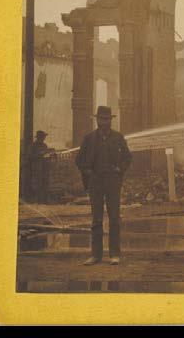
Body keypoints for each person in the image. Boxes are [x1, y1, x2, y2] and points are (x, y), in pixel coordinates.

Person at [75, 106, 132, 266]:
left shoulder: (118, 137)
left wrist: (119, 169)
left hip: (113, 181)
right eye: (101, 119)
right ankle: (96, 255)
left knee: (114, 218)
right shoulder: (89, 139)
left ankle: (114, 254)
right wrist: (88, 171)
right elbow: (79, 159)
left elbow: (128, 157)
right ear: (97, 120)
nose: (104, 122)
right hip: (96, 181)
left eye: (106, 119)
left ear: (110, 120)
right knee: (96, 219)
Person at [29, 130, 54, 204]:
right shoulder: (33, 146)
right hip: (37, 167)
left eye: (44, 137)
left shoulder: (44, 145)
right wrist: (40, 154)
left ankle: (45, 200)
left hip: (44, 167)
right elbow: (30, 156)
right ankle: (38, 200)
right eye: (43, 137)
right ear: (39, 137)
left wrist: (50, 155)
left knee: (45, 182)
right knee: (38, 183)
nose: (44, 138)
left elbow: (46, 156)